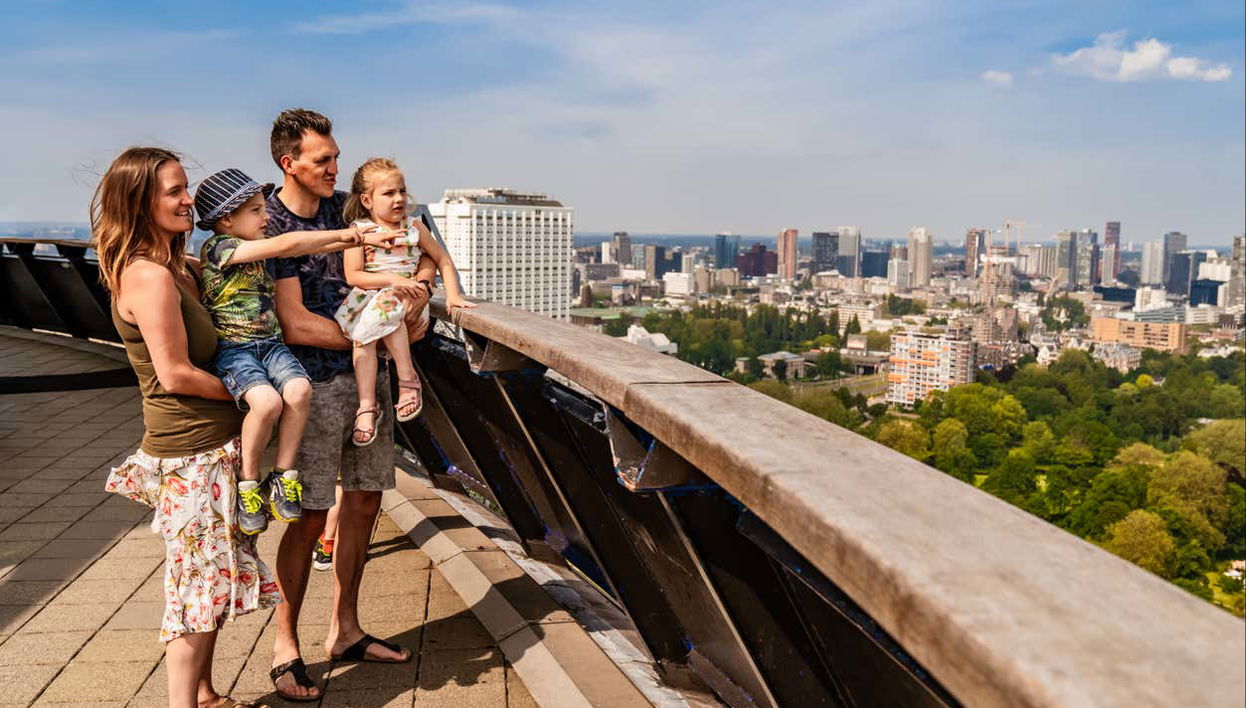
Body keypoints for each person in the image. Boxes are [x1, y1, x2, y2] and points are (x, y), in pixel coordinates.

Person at [96, 146, 279, 708]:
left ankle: (204, 694)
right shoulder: (149, 276)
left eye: (186, 187)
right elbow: (175, 373)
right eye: (173, 191)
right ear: (139, 203)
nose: (187, 199)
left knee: (215, 576)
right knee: (197, 590)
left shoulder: (180, 267)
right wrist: (250, 396)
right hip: (191, 454)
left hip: (211, 446)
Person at [265, 108, 437, 702]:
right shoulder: (271, 223)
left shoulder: (346, 209)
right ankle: (286, 647)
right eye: (323, 160)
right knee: (312, 516)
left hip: (367, 381)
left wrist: (416, 301)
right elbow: (296, 323)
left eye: (336, 157)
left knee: (362, 504)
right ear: (289, 164)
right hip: (310, 386)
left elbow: (406, 258)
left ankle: (345, 630)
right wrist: (379, 332)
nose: (334, 168)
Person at [192, 168, 397, 534]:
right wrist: (347, 234)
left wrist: (354, 241)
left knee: (299, 390)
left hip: (269, 346)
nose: (265, 216)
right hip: (237, 351)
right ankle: (248, 482)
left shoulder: (251, 244)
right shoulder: (220, 248)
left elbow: (307, 245)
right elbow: (289, 245)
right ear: (226, 219)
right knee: (268, 403)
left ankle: (284, 476)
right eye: (255, 210)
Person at [337, 157, 475, 445]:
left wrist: (452, 294)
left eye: (401, 190)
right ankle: (368, 403)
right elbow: (354, 275)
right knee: (364, 338)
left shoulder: (414, 227)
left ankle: (404, 384)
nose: (399, 198)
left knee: (386, 316)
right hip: (371, 299)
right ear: (367, 200)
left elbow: (441, 259)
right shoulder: (360, 231)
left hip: (408, 302)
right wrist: (392, 280)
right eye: (388, 193)